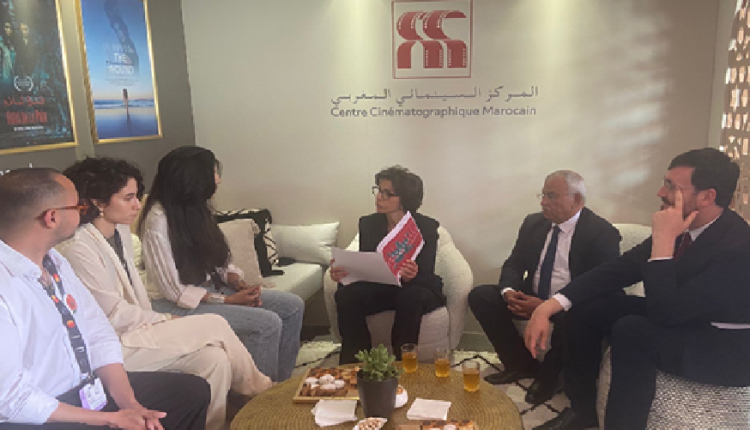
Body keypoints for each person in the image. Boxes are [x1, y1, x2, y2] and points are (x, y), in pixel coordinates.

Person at [526, 148, 750, 430]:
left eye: (671, 186)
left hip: (724, 344)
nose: (660, 192)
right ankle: (583, 410)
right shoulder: (683, 226)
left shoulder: (739, 247)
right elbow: (620, 269)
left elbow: (664, 314)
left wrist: (663, 243)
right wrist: (551, 305)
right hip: (683, 312)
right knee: (588, 307)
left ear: (707, 197)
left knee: (633, 331)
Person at [58, 157, 273, 430]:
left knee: (214, 359)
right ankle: (263, 393)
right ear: (98, 202)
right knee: (215, 323)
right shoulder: (78, 248)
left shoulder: (120, 233)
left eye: (136, 196)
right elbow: (112, 314)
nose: (137, 205)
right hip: (111, 346)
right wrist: (164, 319)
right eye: (128, 198)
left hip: (138, 328)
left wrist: (159, 320)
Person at [0, 168, 210, 429]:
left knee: (190, 393)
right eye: (78, 206)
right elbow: (10, 398)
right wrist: (110, 419)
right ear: (51, 217)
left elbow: (98, 332)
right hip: (38, 415)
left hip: (85, 391)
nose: (83, 212)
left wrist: (129, 404)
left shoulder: (54, 260)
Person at [138, 146, 304, 382]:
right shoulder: (157, 221)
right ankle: (256, 397)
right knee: (266, 324)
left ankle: (279, 386)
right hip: (174, 304)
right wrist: (227, 301)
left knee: (292, 306)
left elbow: (218, 259)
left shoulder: (196, 209)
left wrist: (237, 282)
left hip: (210, 291)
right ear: (193, 178)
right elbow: (174, 291)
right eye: (213, 173)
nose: (218, 179)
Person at [469, 170, 621, 405]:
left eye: (551, 196)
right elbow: (515, 263)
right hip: (531, 294)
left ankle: (548, 378)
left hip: (572, 303)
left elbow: (599, 287)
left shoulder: (602, 234)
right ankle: (520, 364)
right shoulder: (534, 223)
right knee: (481, 296)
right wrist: (509, 292)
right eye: (543, 195)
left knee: (573, 317)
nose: (543, 202)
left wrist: (547, 306)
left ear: (577, 200)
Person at [332, 166, 447, 364]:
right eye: (378, 190)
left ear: (405, 199)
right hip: (382, 287)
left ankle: (403, 364)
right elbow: (367, 263)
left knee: (410, 296)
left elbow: (427, 272)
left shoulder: (426, 227)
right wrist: (344, 273)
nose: (379, 197)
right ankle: (356, 362)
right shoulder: (368, 223)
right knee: (346, 295)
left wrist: (413, 274)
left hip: (417, 287)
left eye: (388, 194)